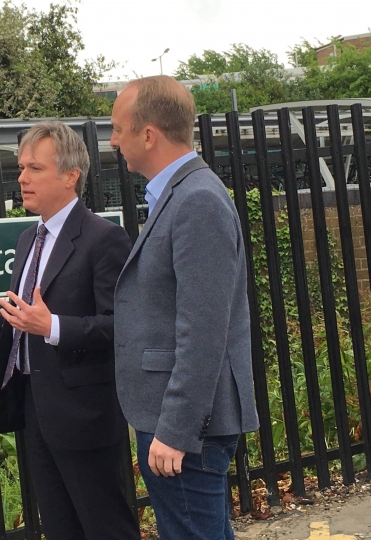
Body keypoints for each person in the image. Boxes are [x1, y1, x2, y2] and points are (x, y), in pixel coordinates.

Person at [0, 121, 138, 539]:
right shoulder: (26, 240)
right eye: (20, 167)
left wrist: (51, 325)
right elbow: (24, 322)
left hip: (84, 416)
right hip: (35, 412)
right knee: (59, 527)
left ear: (69, 176)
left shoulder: (104, 239)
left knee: (106, 527)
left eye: (34, 168)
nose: (20, 178)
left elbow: (121, 327)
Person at [111, 75, 260, 540]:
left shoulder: (196, 200)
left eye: (118, 129)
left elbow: (203, 331)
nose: (113, 141)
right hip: (179, 422)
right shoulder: (179, 195)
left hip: (185, 427)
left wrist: (176, 430)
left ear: (149, 133)